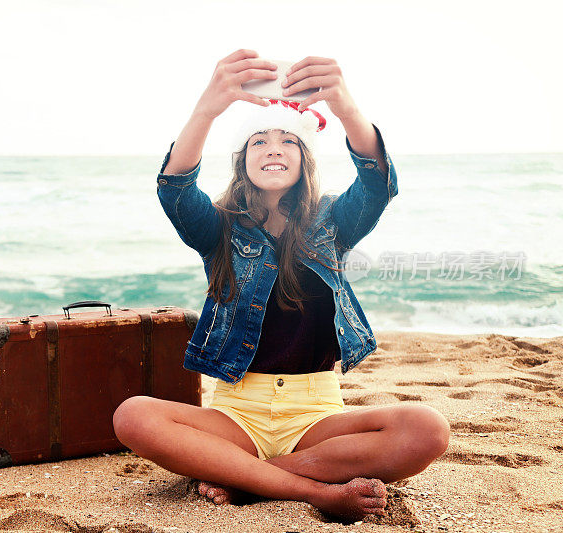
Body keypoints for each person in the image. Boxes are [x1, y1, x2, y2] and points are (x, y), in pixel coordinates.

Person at [112, 49, 450, 522]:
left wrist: (345, 106)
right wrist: (208, 107)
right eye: (259, 142)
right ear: (242, 161)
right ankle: (311, 489)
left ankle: (250, 479)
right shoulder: (218, 229)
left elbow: (377, 185)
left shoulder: (334, 221)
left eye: (288, 140)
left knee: (426, 428)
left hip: (316, 414)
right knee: (133, 415)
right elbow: (175, 189)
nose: (274, 148)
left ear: (304, 159)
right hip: (236, 414)